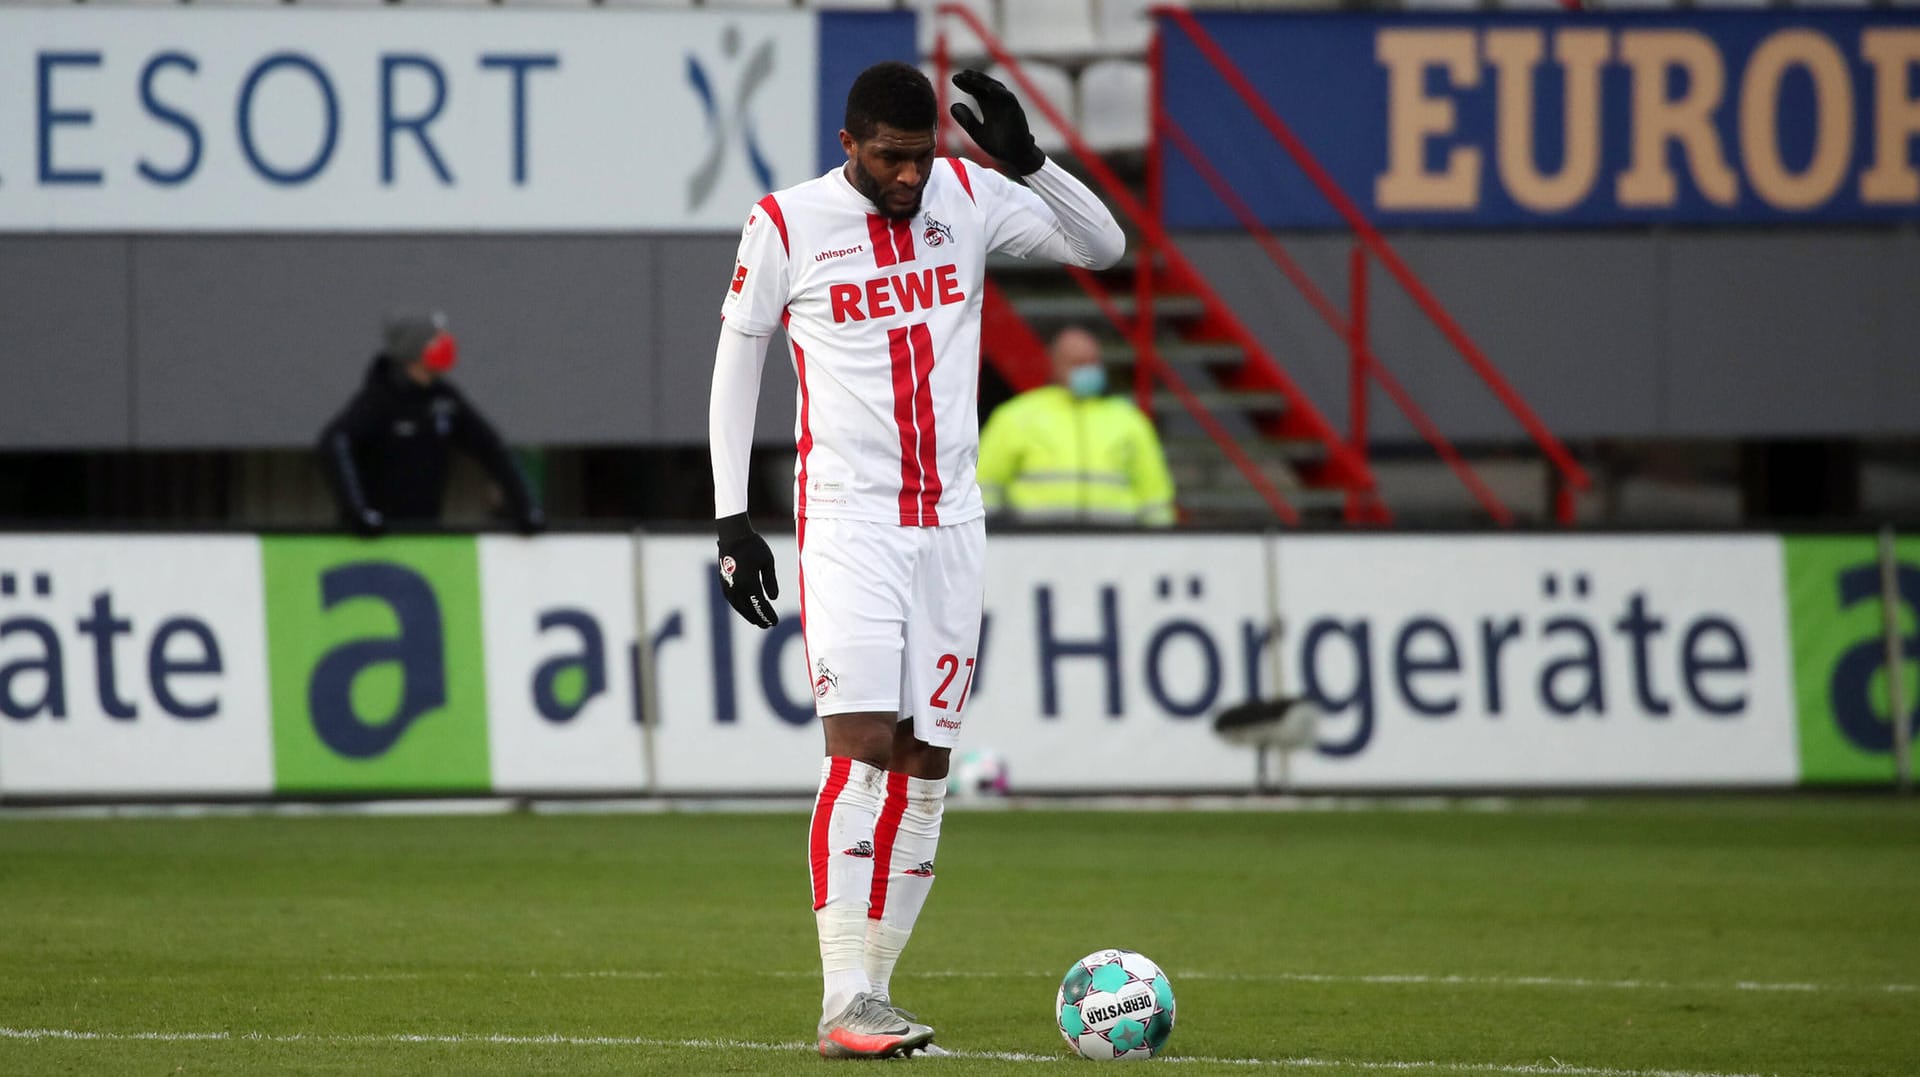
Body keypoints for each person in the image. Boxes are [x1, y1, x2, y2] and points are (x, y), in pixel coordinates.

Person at [707, 63, 1124, 1058]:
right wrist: (731, 518)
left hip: (952, 526)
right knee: (855, 749)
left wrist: (1031, 163)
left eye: (921, 156)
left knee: (926, 763)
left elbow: (1105, 248)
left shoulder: (968, 197)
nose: (908, 176)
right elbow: (740, 358)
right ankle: (841, 993)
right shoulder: (785, 221)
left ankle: (875, 998)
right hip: (848, 522)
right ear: (851, 144)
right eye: (891, 158)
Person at [318, 310, 544, 536]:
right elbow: (335, 441)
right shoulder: (380, 398)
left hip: (425, 534)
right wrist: (359, 513)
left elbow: (492, 447)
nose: (447, 345)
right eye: (437, 340)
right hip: (378, 537)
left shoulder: (444, 399)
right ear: (414, 349)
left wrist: (526, 508)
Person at [976, 325, 1177, 526]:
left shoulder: (1129, 420)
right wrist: (994, 533)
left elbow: (1155, 496)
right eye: (1077, 363)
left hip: (1115, 545)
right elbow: (985, 482)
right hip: (1037, 544)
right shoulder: (1016, 417)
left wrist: (1161, 543)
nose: (1087, 370)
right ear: (1055, 364)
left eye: (1092, 362)